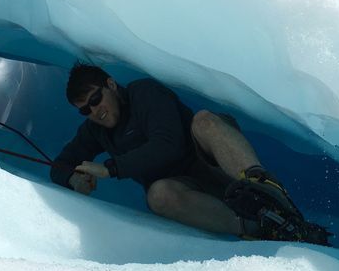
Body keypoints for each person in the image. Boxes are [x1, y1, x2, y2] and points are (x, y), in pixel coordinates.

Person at [50, 63, 320, 242]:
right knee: (158, 195)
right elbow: (60, 164)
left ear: (110, 85)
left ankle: (265, 190)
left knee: (205, 121)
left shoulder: (144, 93)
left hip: (213, 161)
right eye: (85, 109)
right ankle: (259, 229)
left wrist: (110, 168)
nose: (95, 111)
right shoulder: (95, 131)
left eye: (95, 100)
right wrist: (72, 179)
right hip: (187, 189)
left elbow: (169, 145)